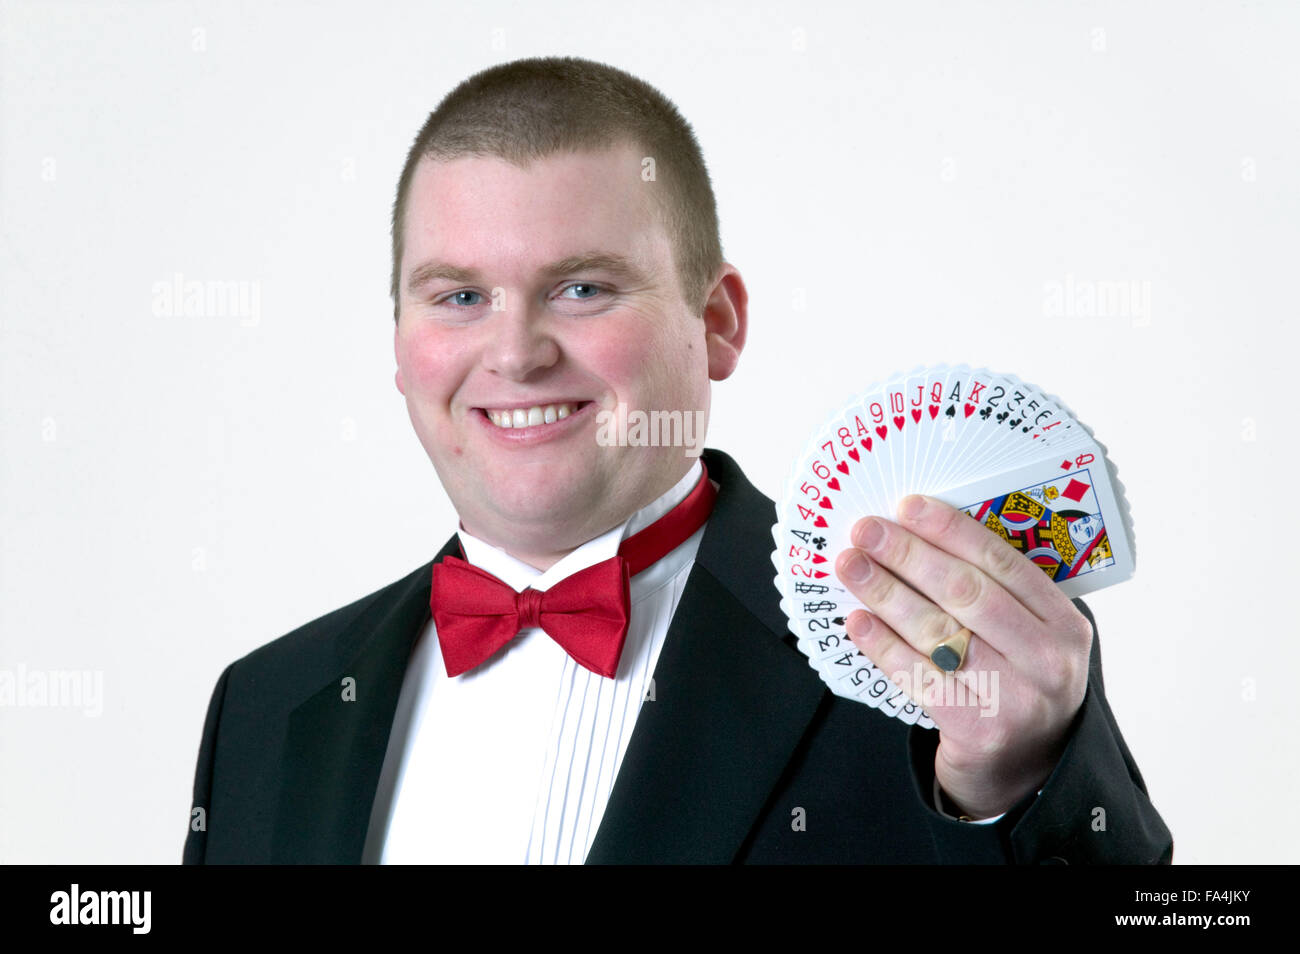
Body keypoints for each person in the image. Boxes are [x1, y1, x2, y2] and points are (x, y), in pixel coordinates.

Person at [183, 56, 1172, 864]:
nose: (517, 353)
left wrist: (1012, 783)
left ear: (717, 323)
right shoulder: (266, 707)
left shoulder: (932, 652)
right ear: (398, 342)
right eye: (458, 297)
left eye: (581, 289)